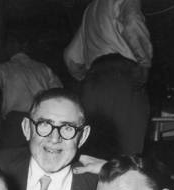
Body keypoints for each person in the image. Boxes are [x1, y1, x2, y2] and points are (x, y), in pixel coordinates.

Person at [63, 0, 152, 157]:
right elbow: (132, 22)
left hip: (92, 82)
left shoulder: (91, 8)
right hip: (121, 78)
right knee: (128, 149)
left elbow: (71, 56)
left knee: (93, 151)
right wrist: (144, 61)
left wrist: (84, 75)